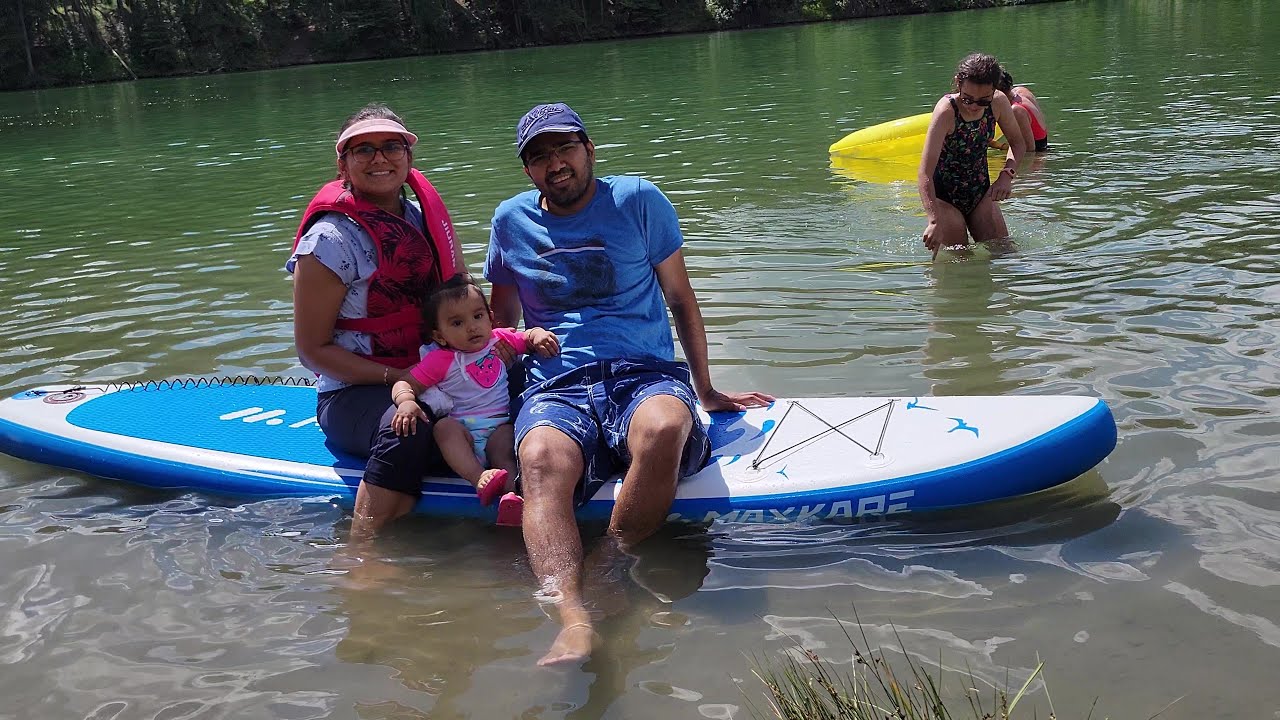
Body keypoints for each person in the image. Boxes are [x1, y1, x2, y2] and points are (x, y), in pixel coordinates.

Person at [485, 102, 774, 666]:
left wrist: (706, 390)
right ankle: (572, 618)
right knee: (540, 459)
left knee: (665, 428)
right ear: (527, 169)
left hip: (644, 374)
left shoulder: (638, 200)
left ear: (589, 149)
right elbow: (502, 327)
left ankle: (609, 565)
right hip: (557, 385)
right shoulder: (509, 220)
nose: (555, 163)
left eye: (565, 148)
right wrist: (495, 414)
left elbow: (680, 298)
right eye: (539, 156)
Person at [288, 103, 466, 539]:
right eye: (363, 149)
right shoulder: (327, 241)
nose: (379, 158)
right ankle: (365, 548)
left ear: (409, 157)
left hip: (429, 372)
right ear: (343, 165)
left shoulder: (422, 221)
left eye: (391, 146)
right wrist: (398, 378)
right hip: (354, 393)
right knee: (411, 425)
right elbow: (312, 350)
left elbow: (461, 300)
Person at [389, 274, 560, 521]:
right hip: (463, 431)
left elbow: (526, 337)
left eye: (478, 316)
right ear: (440, 336)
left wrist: (537, 335)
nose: (471, 327)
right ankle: (478, 477)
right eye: (457, 323)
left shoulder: (499, 340)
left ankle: (510, 495)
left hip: (498, 425)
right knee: (444, 428)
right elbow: (406, 382)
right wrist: (406, 401)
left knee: (505, 440)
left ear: (490, 317)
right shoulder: (441, 360)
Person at [919, 53, 1025, 257]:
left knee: (1006, 255)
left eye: (983, 101)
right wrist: (933, 220)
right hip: (945, 198)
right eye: (967, 99)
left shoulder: (999, 103)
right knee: (962, 262)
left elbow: (1018, 143)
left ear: (994, 90)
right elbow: (924, 173)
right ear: (958, 83)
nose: (975, 106)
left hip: (981, 193)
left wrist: (1006, 175)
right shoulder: (946, 111)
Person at [996, 69, 1049, 153]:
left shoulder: (1016, 111)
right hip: (1044, 145)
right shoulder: (1021, 90)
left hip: (1038, 153)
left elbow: (1030, 149)